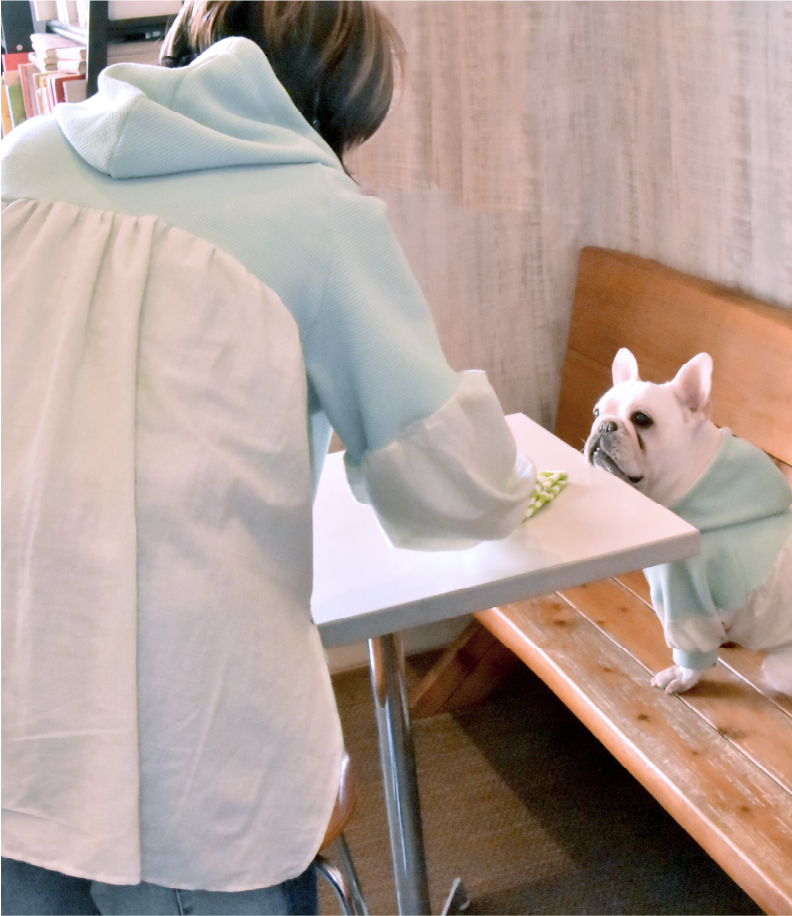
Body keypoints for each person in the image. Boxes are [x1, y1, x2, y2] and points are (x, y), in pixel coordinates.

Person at [0, 1, 536, 913]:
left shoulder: (23, 159)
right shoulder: (318, 210)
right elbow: (454, 490)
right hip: (193, 739)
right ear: (337, 107)